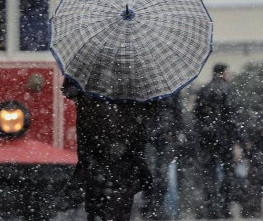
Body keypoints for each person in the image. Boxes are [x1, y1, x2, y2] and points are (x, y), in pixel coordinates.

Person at [62, 78, 156, 221]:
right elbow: (144, 126)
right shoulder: (138, 77)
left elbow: (69, 90)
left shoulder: (91, 74)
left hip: (98, 159)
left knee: (98, 207)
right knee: (118, 206)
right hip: (123, 160)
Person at [193, 63, 239, 219]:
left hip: (207, 138)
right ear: (222, 73)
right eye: (228, 72)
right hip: (223, 137)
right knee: (227, 173)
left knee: (208, 174)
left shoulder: (203, 90)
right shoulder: (227, 90)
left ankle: (211, 207)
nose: (229, 76)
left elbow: (197, 115)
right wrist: (235, 139)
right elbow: (231, 116)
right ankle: (225, 207)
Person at [142, 93, 184, 220]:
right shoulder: (171, 92)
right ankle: (157, 207)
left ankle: (153, 207)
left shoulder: (147, 90)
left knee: (156, 173)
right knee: (161, 174)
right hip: (163, 135)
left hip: (156, 135)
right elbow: (177, 113)